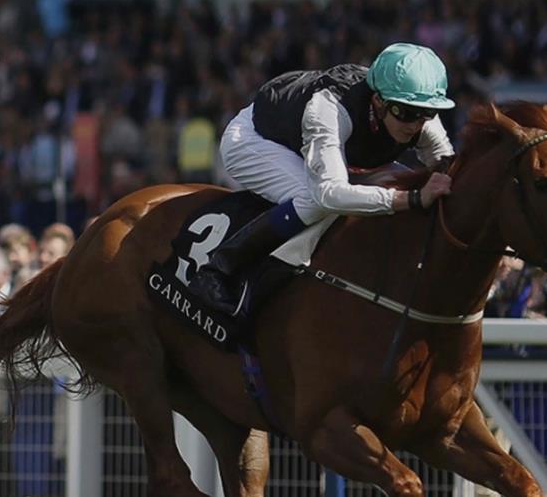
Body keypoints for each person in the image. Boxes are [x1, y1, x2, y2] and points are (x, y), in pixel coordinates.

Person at [189, 42, 458, 316]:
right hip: (254, 141)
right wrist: (412, 198)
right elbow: (329, 194)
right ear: (378, 101)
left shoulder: (414, 107)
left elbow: (447, 166)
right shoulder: (329, 107)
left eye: (427, 113)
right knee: (314, 201)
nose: (416, 124)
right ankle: (218, 270)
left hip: (316, 146)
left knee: (393, 179)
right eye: (407, 113)